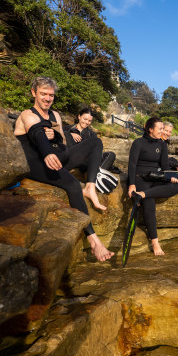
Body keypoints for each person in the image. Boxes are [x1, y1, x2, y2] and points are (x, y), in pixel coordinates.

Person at [14, 76, 113, 262]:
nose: (47, 98)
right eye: (43, 94)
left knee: (95, 142)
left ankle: (91, 186)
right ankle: (94, 241)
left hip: (55, 158)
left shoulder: (55, 116)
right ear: (34, 93)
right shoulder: (27, 115)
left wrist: (55, 138)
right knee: (73, 185)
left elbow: (63, 143)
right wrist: (47, 152)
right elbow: (36, 133)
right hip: (36, 163)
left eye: (50, 95)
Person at [127, 117, 178, 256]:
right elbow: (132, 165)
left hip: (155, 177)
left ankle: (143, 194)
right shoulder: (138, 143)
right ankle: (155, 242)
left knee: (176, 187)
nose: (162, 131)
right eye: (160, 129)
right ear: (150, 129)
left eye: (163, 129)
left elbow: (164, 166)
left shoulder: (162, 145)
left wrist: (170, 176)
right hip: (140, 178)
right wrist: (132, 184)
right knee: (149, 203)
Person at [64, 107, 117, 172]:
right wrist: (69, 134)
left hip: (87, 160)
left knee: (110, 155)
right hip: (72, 157)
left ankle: (97, 173)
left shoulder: (92, 134)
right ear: (79, 117)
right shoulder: (67, 128)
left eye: (89, 121)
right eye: (85, 119)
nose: (86, 122)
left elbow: (96, 152)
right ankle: (95, 172)